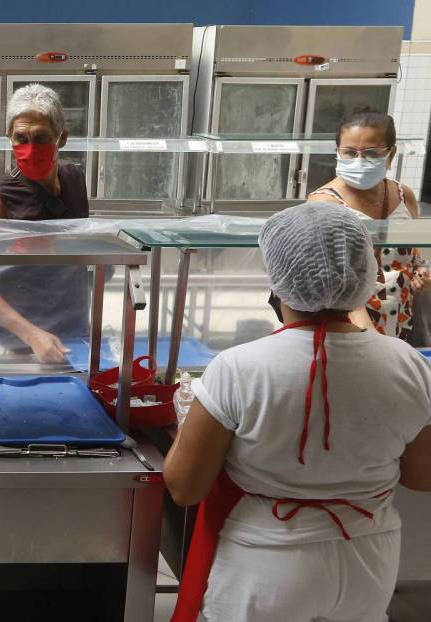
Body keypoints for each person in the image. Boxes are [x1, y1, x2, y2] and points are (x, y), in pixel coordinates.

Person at [163, 202, 431, 622]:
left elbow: (185, 487)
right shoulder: (408, 363)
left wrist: (188, 424)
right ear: (363, 273)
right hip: (367, 558)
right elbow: (422, 475)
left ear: (278, 279)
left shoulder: (238, 367)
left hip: (267, 559)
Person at [0, 84, 90, 363]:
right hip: (17, 345)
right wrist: (32, 335)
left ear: (62, 138)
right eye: (20, 138)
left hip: (74, 335)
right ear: (9, 138)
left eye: (41, 138)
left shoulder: (74, 179)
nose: (30, 148)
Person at [307, 110, 428, 341]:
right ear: (337, 153)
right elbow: (329, 281)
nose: (359, 160)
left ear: (391, 155)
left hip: (401, 321)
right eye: (350, 153)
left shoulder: (404, 196)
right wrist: (370, 339)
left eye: (371, 153)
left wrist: (421, 274)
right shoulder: (324, 204)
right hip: (349, 328)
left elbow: (412, 258)